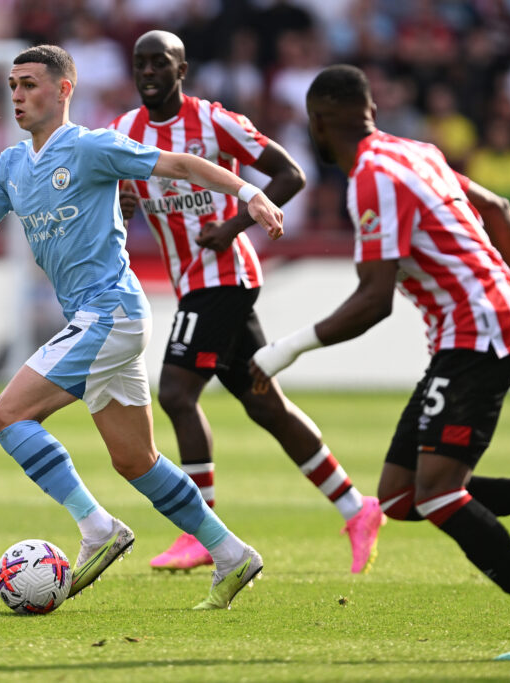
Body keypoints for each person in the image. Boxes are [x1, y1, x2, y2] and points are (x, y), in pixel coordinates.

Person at [0, 44, 283, 610]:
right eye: (12, 86)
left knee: (7, 415)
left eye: (29, 84)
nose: (17, 96)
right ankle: (230, 554)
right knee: (135, 461)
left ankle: (98, 528)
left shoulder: (91, 147)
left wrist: (250, 193)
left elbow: (176, 163)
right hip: (98, 319)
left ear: (63, 89)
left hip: (112, 310)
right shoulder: (10, 165)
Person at [250, 64, 510, 660]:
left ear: (319, 122)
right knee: (400, 497)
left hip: (478, 334)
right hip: (477, 327)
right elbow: (497, 207)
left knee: (441, 494)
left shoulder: (369, 178)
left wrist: (280, 351)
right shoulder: (413, 151)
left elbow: (373, 302)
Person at [110, 30, 384, 575]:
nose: (147, 73)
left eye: (159, 63)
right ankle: (357, 507)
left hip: (226, 275)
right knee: (264, 403)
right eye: (139, 64)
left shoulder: (213, 121)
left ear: (181, 69)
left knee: (176, 392)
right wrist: (127, 202)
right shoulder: (125, 132)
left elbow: (290, 174)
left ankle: (201, 532)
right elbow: (131, 199)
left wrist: (234, 226)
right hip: (193, 281)